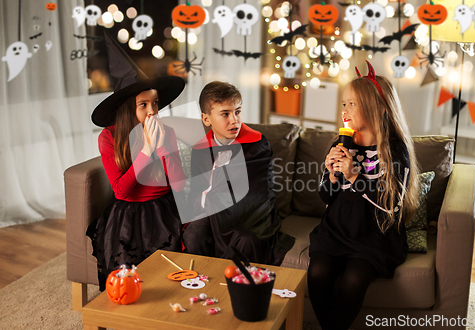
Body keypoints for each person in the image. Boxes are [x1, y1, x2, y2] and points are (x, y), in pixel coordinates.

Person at [307, 61, 419, 329]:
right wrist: (332, 176)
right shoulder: (341, 142)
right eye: (344, 104)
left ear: (379, 109)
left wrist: (356, 176)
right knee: (318, 272)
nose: (344, 110)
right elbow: (326, 197)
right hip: (337, 229)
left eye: (352, 104)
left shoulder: (395, 150)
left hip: (375, 234)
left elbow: (391, 206)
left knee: (354, 280)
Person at [87, 33, 186, 290]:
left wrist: (162, 147)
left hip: (164, 209)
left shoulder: (168, 132)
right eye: (144, 104)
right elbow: (120, 190)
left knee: (170, 274)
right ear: (128, 108)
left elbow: (179, 184)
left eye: (155, 103)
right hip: (128, 213)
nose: (153, 111)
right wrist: (146, 151)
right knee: (127, 277)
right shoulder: (108, 138)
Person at [182, 81, 294, 265]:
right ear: (206, 119)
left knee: (246, 239)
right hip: (213, 210)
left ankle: (238, 285)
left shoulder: (257, 144)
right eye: (225, 114)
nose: (234, 120)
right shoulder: (201, 150)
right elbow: (198, 191)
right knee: (193, 235)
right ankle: (202, 280)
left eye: (237, 111)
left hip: (252, 210)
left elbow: (260, 191)